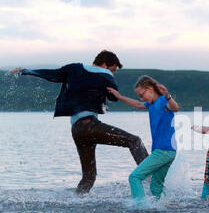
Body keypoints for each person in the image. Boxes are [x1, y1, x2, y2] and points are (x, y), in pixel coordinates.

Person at [10, 50, 148, 194]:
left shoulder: (73, 68)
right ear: (106, 65)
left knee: (89, 177)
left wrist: (26, 71)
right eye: (113, 70)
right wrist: (108, 77)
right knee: (134, 141)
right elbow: (113, 97)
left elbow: (53, 74)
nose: (112, 73)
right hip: (91, 126)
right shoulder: (105, 74)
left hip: (77, 130)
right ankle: (153, 181)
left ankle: (77, 200)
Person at [107, 76, 179, 200]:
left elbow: (175, 108)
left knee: (134, 177)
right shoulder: (151, 104)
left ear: (150, 88)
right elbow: (137, 104)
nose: (141, 98)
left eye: (142, 94)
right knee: (155, 187)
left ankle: (140, 207)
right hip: (169, 151)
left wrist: (167, 95)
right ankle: (167, 205)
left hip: (163, 150)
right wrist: (119, 97)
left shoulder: (163, 101)